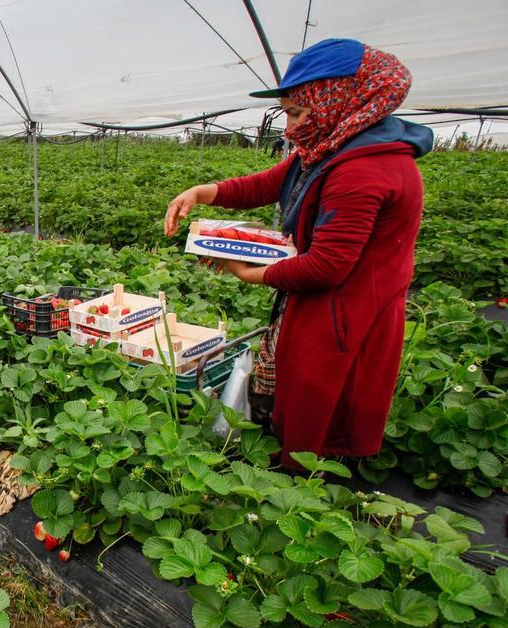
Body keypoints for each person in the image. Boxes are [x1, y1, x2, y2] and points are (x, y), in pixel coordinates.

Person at [163, 38, 432, 467]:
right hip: (319, 302)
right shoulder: (332, 147)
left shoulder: (364, 169)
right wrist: (203, 192)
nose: (289, 128)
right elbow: (270, 182)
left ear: (338, 100)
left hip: (345, 310)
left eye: (296, 112)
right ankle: (280, 458)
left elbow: (326, 266)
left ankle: (301, 486)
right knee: (290, 387)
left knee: (320, 404)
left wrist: (250, 273)